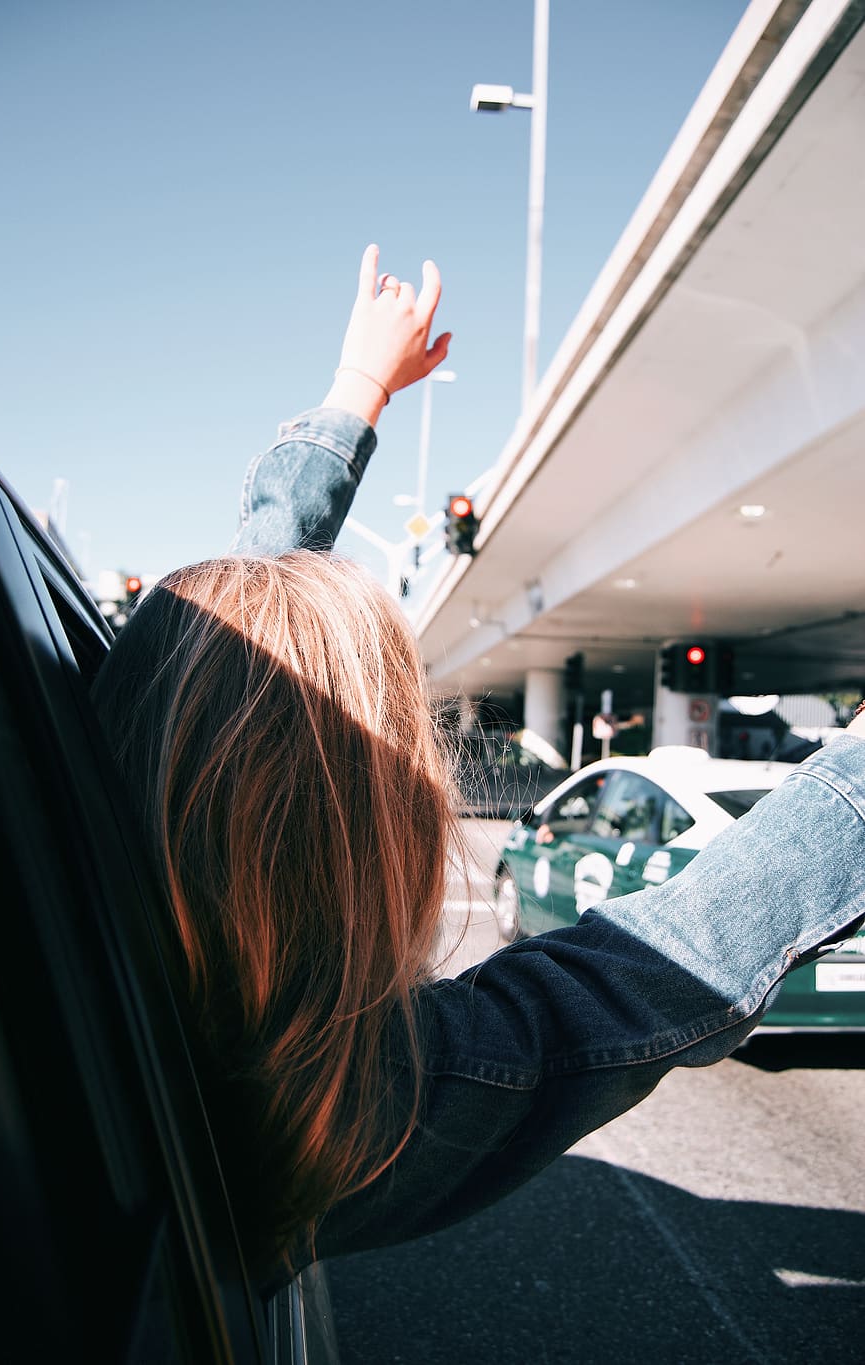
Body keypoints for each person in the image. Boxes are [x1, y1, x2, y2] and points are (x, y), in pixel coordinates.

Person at [91, 245, 865, 1293]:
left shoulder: (70, 940)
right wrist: (355, 392)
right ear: (377, 833)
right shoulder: (337, 1104)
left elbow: (239, 689)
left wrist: (352, 396)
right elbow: (678, 949)